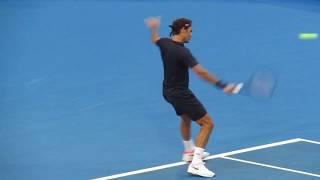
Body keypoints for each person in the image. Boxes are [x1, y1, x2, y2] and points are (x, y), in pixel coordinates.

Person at [144, 17, 238, 178]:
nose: (192, 34)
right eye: (191, 31)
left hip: (167, 91)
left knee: (186, 118)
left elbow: (155, 39)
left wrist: (153, 28)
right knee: (208, 123)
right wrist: (223, 85)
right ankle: (196, 164)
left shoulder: (165, 43)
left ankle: (189, 152)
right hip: (181, 93)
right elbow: (201, 72)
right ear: (183, 30)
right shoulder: (182, 52)